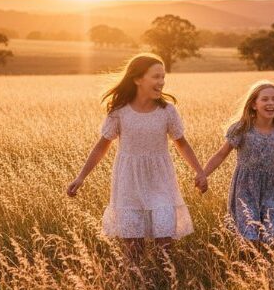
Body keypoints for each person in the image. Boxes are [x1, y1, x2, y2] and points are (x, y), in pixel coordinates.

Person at [67, 53, 207, 263]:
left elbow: (182, 143)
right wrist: (80, 177)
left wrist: (200, 171)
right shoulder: (119, 112)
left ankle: (166, 287)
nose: (161, 82)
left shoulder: (167, 111)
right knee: (133, 249)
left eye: (163, 77)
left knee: (165, 241)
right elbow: (101, 146)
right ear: (137, 79)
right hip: (129, 183)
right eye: (156, 77)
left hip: (160, 181)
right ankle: (135, 288)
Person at [202, 81, 274, 244]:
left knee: (271, 233)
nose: (271, 103)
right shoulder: (241, 128)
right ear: (254, 104)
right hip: (245, 186)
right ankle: (250, 265)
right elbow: (221, 154)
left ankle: (269, 267)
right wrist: (203, 175)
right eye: (265, 99)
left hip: (271, 186)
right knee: (249, 232)